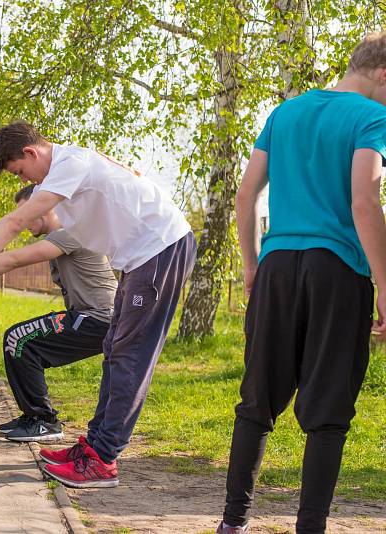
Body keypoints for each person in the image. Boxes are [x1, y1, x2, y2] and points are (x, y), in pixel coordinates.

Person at [0, 121, 196, 488]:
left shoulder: (69, 165)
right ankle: (93, 448)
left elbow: (15, 222)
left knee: (130, 356)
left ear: (31, 153)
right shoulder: (77, 160)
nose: (24, 183)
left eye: (20, 172)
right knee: (114, 350)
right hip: (140, 257)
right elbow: (120, 168)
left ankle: (103, 459)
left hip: (161, 248)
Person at [216, 33, 386, 534]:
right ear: (383, 74)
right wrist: (385, 283)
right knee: (328, 411)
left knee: (256, 402)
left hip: (277, 266)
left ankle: (233, 523)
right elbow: (364, 202)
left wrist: (251, 264)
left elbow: (246, 194)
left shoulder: (284, 114)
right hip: (337, 271)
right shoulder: (371, 119)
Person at [0, 184, 116, 442]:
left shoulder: (71, 232)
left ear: (46, 207)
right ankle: (34, 417)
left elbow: (13, 260)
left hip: (98, 318)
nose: (23, 222)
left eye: (27, 212)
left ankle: (44, 421)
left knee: (19, 339)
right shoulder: (62, 235)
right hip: (87, 316)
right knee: (21, 341)